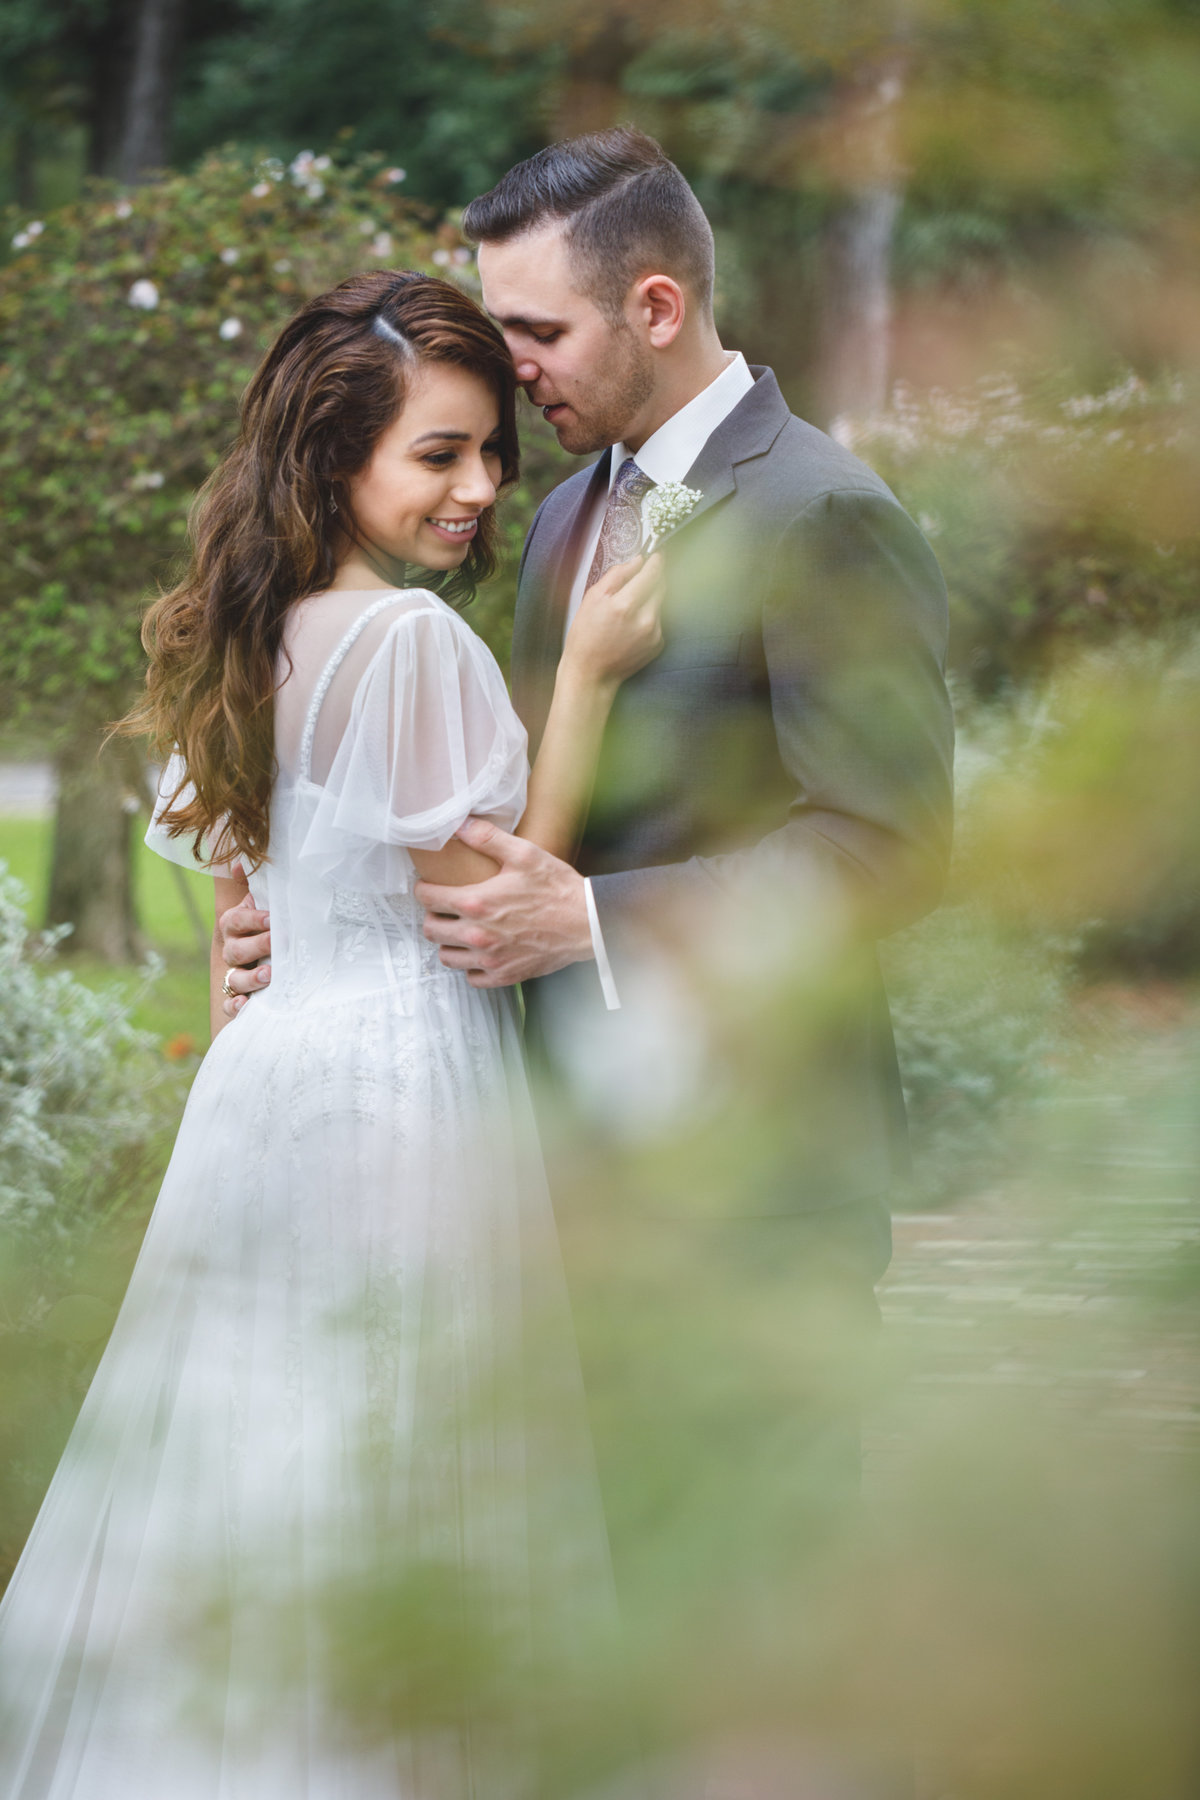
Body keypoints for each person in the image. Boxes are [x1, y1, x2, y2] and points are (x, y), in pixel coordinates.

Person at [0, 269, 664, 1796]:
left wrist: (258, 957)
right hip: (397, 1075)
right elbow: (486, 913)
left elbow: (255, 898)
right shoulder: (407, 642)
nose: (481, 486)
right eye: (438, 454)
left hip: (271, 1076)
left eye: (492, 450)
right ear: (334, 460)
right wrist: (585, 687)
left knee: (252, 1438)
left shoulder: (246, 632)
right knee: (394, 1438)